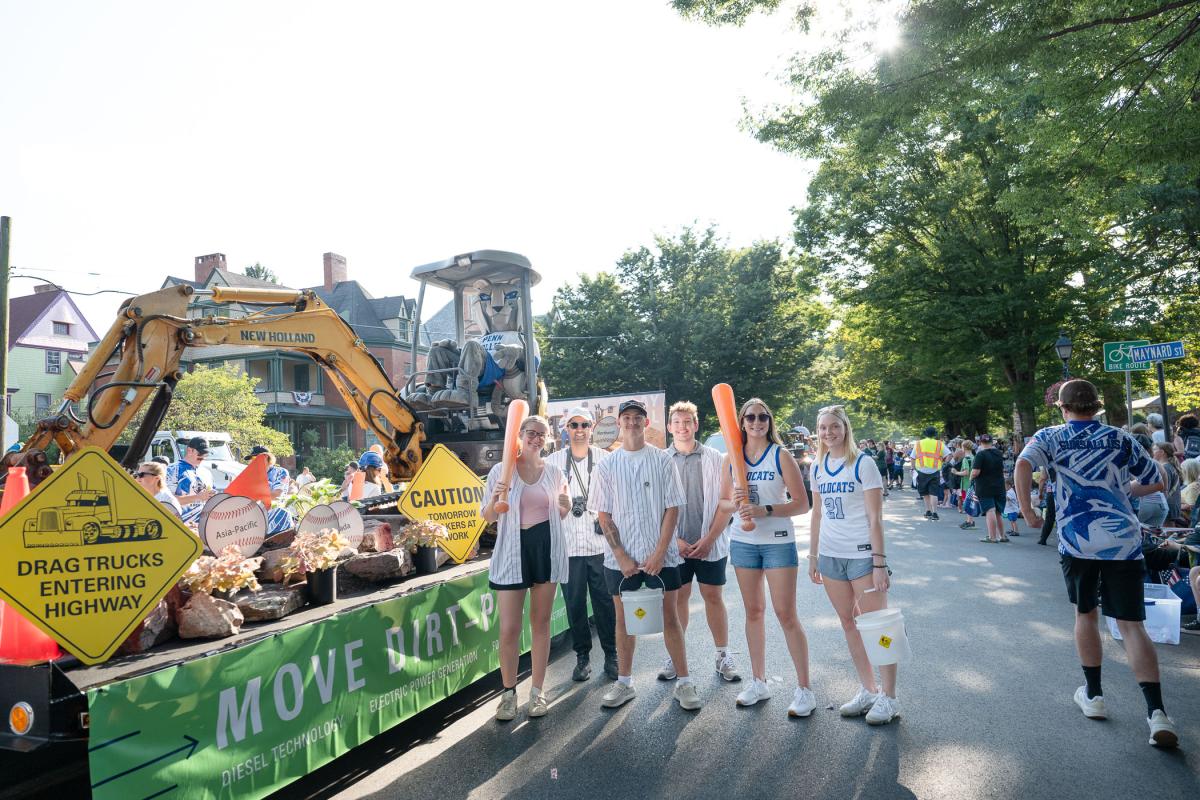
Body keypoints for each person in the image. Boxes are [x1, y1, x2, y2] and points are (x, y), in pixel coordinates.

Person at [1016, 379, 1178, 748]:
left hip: (1078, 541)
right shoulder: (1121, 439)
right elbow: (1158, 479)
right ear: (1097, 407)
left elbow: (1024, 464)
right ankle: (1157, 714)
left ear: (1063, 406)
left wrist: (1027, 510)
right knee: (1132, 625)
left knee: (1085, 614)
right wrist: (1120, 491)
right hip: (1123, 542)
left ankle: (1094, 696)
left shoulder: (1051, 436)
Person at [589, 399, 700, 711]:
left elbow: (673, 507)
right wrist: (622, 555)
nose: (633, 423)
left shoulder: (662, 460)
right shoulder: (607, 465)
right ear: (620, 423)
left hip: (660, 558)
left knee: (670, 618)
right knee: (623, 622)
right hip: (620, 561)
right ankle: (624, 682)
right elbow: (604, 515)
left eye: (638, 418)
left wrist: (661, 552)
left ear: (646, 422)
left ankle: (684, 682)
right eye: (627, 418)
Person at [717, 398, 814, 715]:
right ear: (741, 422)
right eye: (750, 417)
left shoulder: (781, 455)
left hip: (778, 541)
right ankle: (758, 682)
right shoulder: (731, 458)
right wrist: (736, 501)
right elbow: (722, 505)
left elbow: (802, 504)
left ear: (769, 422)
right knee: (753, 612)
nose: (757, 422)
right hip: (744, 542)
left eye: (763, 417)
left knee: (786, 614)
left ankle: (804, 689)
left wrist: (765, 510)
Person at [808, 405, 899, 724]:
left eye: (834, 426)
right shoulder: (817, 466)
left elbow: (876, 517)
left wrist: (879, 563)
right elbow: (817, 514)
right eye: (822, 428)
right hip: (832, 557)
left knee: (878, 626)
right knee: (849, 623)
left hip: (863, 556)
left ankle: (889, 697)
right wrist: (813, 555)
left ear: (845, 428)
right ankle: (868, 689)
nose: (828, 433)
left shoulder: (864, 463)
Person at [481, 414, 571, 721]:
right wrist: (495, 501)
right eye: (531, 432)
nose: (536, 438)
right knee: (509, 628)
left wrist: (566, 506)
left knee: (541, 623)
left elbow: (560, 510)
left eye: (541, 434)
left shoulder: (555, 471)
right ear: (519, 435)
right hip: (511, 550)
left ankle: (537, 691)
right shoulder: (501, 471)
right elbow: (488, 517)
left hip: (545, 547)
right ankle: (508, 693)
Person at [661, 401, 740, 684]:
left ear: (696, 425)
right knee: (676, 601)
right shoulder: (660, 459)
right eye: (677, 422)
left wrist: (708, 539)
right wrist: (676, 540)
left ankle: (722, 655)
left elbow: (726, 503)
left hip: (711, 544)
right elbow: (656, 507)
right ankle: (675, 656)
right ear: (669, 427)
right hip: (674, 547)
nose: (682, 427)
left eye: (687, 422)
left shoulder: (716, 459)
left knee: (713, 598)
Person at [544, 407, 618, 682]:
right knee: (575, 605)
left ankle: (612, 655)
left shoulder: (604, 459)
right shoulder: (552, 462)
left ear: (592, 428)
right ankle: (582, 658)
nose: (579, 430)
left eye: (584, 425)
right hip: (569, 547)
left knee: (605, 604)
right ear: (566, 428)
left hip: (600, 546)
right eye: (574, 425)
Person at [165, 436, 216, 526]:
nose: (203, 457)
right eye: (201, 453)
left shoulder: (206, 472)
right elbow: (168, 501)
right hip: (180, 525)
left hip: (202, 526)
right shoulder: (172, 470)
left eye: (206, 454)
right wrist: (198, 497)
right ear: (189, 451)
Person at [248, 445, 295, 534]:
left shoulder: (280, 472)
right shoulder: (251, 475)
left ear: (267, 458)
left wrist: (253, 496)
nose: (252, 461)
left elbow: (277, 494)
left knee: (281, 512)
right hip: (255, 516)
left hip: (276, 514)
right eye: (252, 459)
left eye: (255, 458)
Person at [971, 434, 1008, 543]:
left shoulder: (980, 455)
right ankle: (1002, 536)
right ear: (992, 442)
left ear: (980, 443)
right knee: (998, 512)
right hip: (999, 485)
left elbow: (975, 472)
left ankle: (992, 537)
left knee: (990, 510)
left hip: (985, 486)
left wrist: (971, 477)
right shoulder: (998, 453)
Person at [1132, 433, 1169, 527]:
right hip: (1161, 504)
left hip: (1144, 504)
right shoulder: (1156, 463)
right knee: (1153, 538)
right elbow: (1165, 489)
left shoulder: (1133, 463)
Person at [912, 427, 946, 520]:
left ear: (925, 434)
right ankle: (935, 513)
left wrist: (913, 468)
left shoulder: (918, 443)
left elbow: (913, 457)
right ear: (934, 434)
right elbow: (949, 455)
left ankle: (928, 511)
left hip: (922, 471)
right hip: (935, 471)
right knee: (933, 493)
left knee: (925, 493)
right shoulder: (939, 443)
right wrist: (944, 463)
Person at [1153, 443, 1183, 524]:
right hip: (1171, 505)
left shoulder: (1165, 468)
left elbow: (1164, 490)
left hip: (1167, 506)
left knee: (1167, 533)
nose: (1153, 452)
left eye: (1155, 449)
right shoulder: (1169, 466)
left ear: (1162, 452)